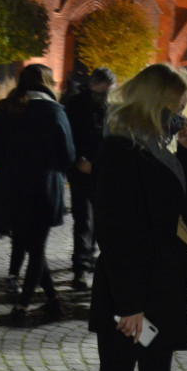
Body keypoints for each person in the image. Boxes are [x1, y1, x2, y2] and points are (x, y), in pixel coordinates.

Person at [87, 63, 187, 371]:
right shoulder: (120, 150)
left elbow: (180, 210)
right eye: (175, 106)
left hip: (164, 285)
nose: (180, 115)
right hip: (129, 289)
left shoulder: (159, 148)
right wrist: (130, 303)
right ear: (156, 103)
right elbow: (115, 231)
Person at [0, 64, 75, 324]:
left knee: (30, 243)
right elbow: (67, 155)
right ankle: (23, 307)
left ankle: (52, 299)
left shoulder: (7, 108)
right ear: (47, 83)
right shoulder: (54, 111)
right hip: (44, 188)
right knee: (36, 248)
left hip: (11, 186)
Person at [65, 66, 115, 290]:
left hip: (103, 171)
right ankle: (80, 267)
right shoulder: (75, 105)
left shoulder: (110, 108)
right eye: (103, 90)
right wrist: (77, 160)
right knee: (84, 219)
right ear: (94, 85)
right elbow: (67, 138)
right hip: (82, 171)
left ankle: (89, 257)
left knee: (99, 219)